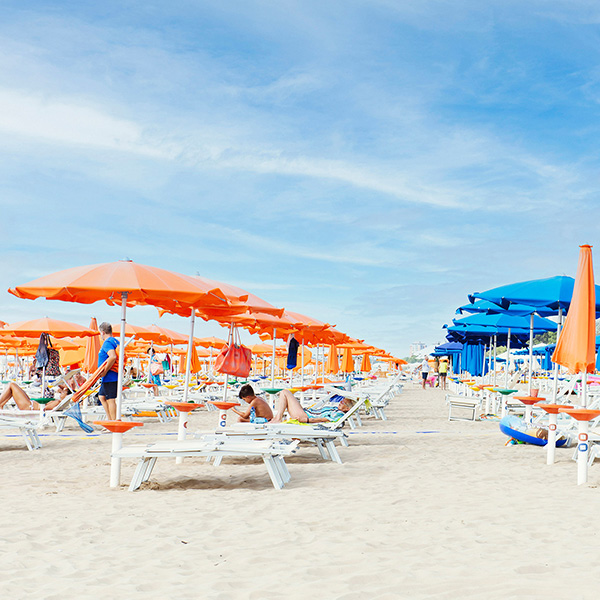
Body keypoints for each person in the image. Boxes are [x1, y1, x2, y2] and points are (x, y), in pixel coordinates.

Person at [234, 385, 352, 424]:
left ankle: (278, 418)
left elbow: (325, 419)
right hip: (306, 412)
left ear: (347, 409)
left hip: (306, 416)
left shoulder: (338, 414)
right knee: (285, 392)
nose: (341, 401)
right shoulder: (335, 408)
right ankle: (278, 417)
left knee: (285, 392)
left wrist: (306, 420)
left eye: (344, 402)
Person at [97, 322, 119, 420]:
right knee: (102, 397)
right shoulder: (115, 341)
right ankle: (110, 420)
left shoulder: (107, 342)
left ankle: (113, 423)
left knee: (110, 399)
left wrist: (105, 371)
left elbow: (113, 356)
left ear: (102, 332)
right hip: (109, 376)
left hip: (110, 375)